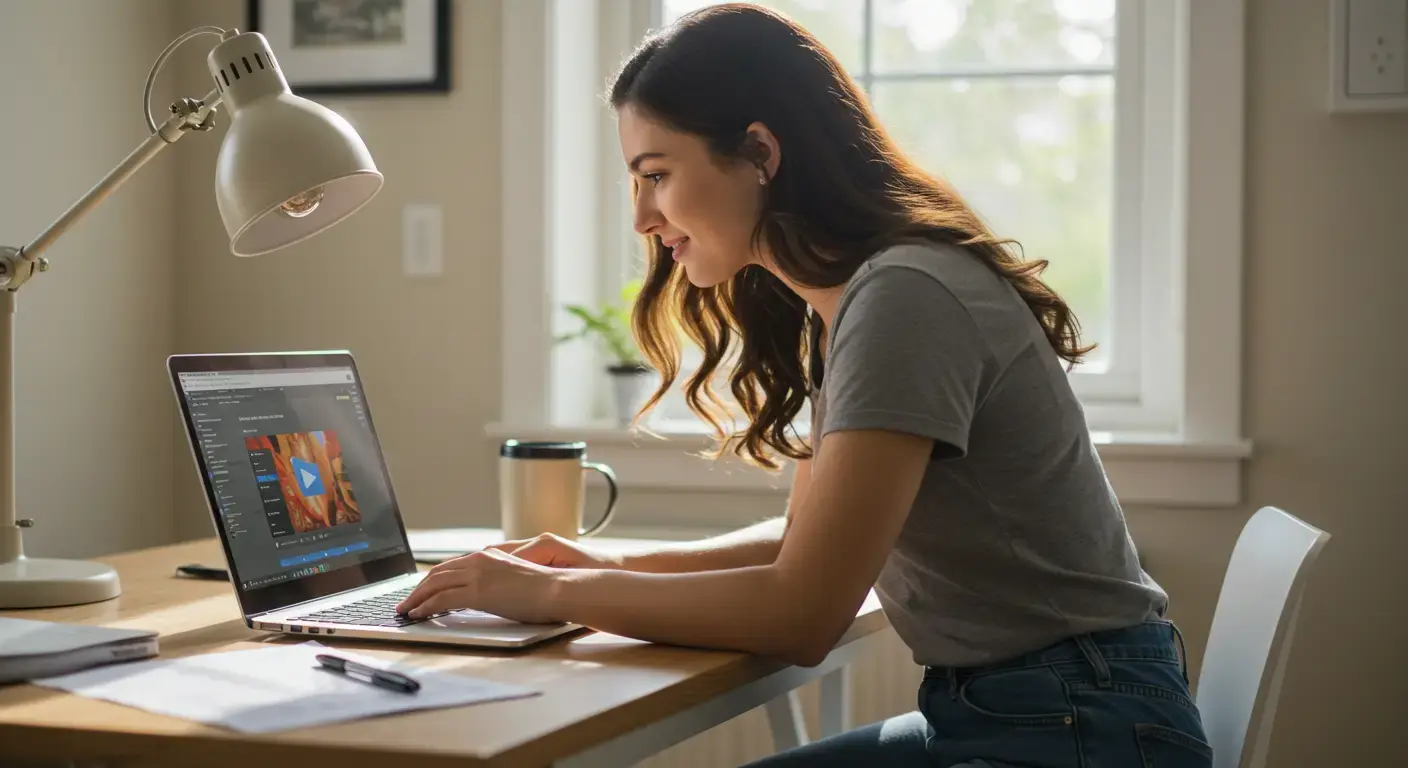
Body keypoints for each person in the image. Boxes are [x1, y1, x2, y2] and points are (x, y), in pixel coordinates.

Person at [397, 4, 1212, 766]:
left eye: (655, 174)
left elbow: (802, 613)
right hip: (1033, 707)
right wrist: (599, 565)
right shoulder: (857, 298)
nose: (642, 217)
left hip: (1074, 726)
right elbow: (800, 543)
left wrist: (555, 593)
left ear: (760, 152)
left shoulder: (903, 297)